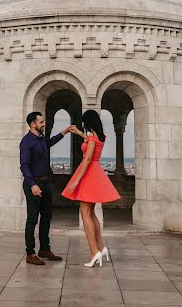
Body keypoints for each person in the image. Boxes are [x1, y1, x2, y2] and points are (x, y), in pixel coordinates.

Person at [62, 109, 121, 267]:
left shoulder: (93, 137)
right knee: (91, 213)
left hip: (89, 174)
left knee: (85, 212)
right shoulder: (98, 136)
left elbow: (87, 159)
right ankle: (101, 248)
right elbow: (90, 140)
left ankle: (94, 252)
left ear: (88, 122)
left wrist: (75, 182)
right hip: (95, 173)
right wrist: (80, 133)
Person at [20, 111, 71, 265]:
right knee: (32, 219)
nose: (44, 124)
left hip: (46, 182)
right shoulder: (27, 142)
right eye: (41, 122)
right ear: (33, 124)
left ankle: (44, 249)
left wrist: (64, 132)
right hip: (33, 184)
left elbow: (50, 142)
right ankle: (30, 253)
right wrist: (33, 185)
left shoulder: (42, 139)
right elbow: (24, 166)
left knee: (47, 217)